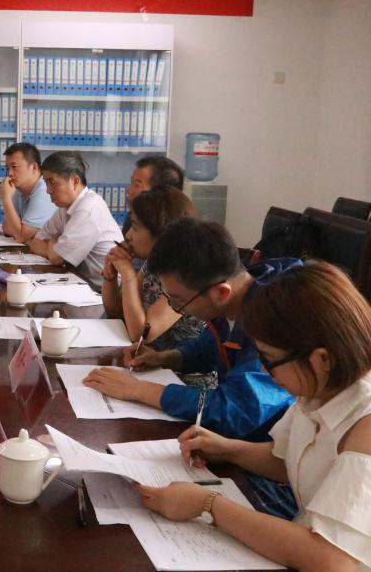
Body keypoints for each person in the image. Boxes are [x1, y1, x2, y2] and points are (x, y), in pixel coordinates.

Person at [135, 262, 371, 572]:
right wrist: (227, 448)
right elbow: (286, 459)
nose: (266, 372)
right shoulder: (319, 387)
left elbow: (332, 560)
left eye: (269, 360)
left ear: (322, 358)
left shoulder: (364, 422)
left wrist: (207, 504)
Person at [84, 218, 297, 441]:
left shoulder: (273, 321)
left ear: (221, 293)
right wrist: (164, 358)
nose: (178, 309)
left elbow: (236, 410)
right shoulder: (236, 297)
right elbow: (211, 348)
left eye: (179, 302)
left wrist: (139, 390)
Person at [101, 185, 204, 352]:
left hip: (177, 366)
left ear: (161, 232)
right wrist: (109, 276)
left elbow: (141, 335)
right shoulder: (155, 261)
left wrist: (128, 275)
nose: (128, 235)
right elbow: (117, 312)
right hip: (146, 358)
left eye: (135, 226)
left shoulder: (188, 271)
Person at [27, 151, 123, 289]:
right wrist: (55, 246)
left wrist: (52, 244)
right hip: (81, 283)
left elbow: (56, 258)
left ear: (75, 181)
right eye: (46, 182)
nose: (48, 190)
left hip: (104, 293)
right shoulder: (65, 208)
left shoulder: (88, 209)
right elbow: (36, 242)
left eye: (52, 182)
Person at [0, 142, 57, 243]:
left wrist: (6, 198)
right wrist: (20, 231)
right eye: (7, 168)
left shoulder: (44, 191)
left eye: (14, 167)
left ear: (34, 167)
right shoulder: (19, 190)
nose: (9, 173)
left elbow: (21, 237)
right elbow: (6, 228)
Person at [124, 156, 184, 235]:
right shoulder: (133, 218)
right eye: (131, 183)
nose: (128, 191)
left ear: (160, 193)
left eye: (136, 185)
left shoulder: (177, 234)